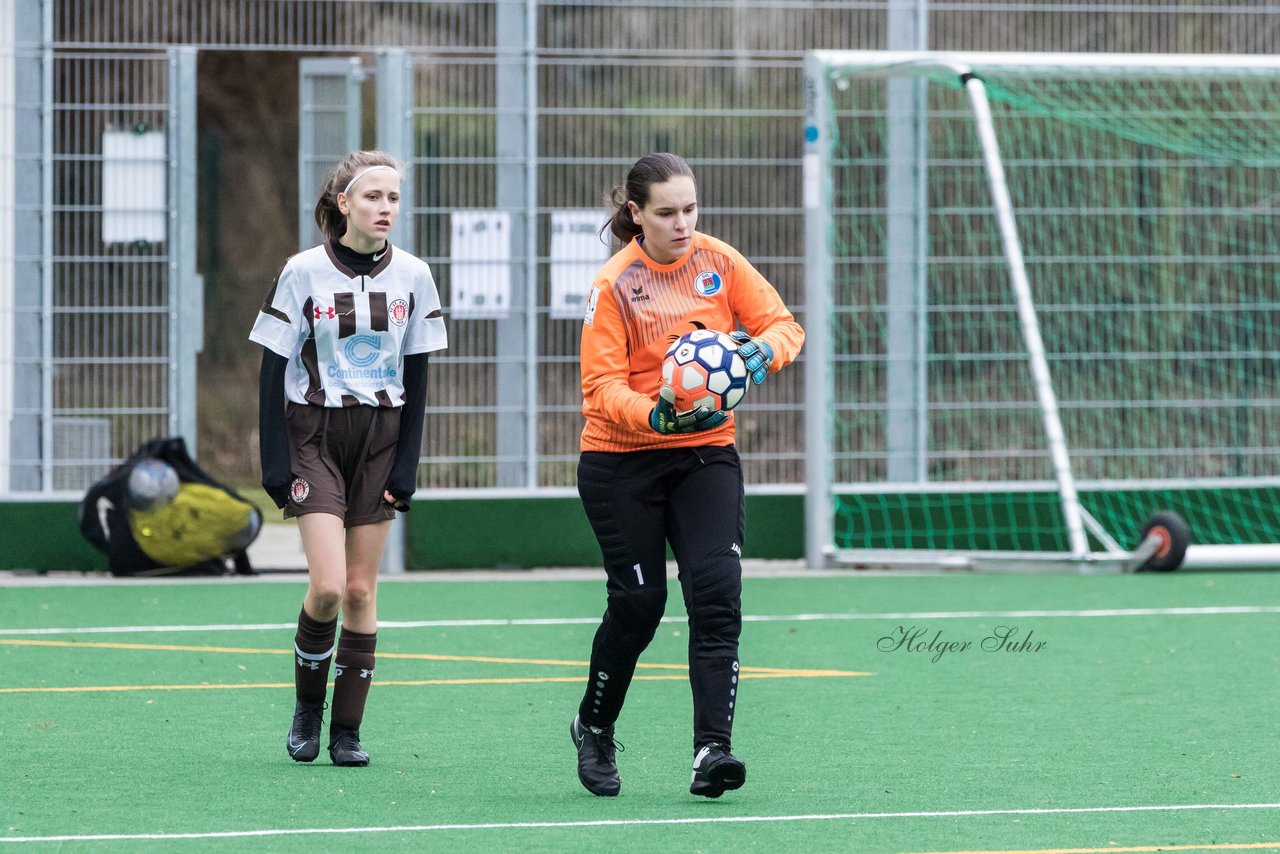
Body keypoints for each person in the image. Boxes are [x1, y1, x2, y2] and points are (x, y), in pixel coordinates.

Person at [570, 152, 805, 798]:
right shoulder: (614, 285)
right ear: (635, 214)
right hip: (620, 462)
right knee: (640, 606)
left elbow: (785, 326)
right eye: (667, 213)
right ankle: (593, 726)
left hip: (705, 454)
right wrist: (655, 415)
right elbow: (601, 390)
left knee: (716, 591)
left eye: (690, 209)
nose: (683, 224)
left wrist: (764, 354)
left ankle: (711, 752)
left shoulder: (719, 263)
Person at [249, 150, 447, 767]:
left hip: (380, 438)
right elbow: (270, 368)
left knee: (362, 590)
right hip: (314, 435)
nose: (385, 208)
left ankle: (346, 732)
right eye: (372, 197)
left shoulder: (415, 275)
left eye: (392, 197)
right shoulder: (303, 272)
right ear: (344, 204)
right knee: (329, 587)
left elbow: (418, 377)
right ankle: (308, 709)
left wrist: (406, 465)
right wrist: (275, 463)